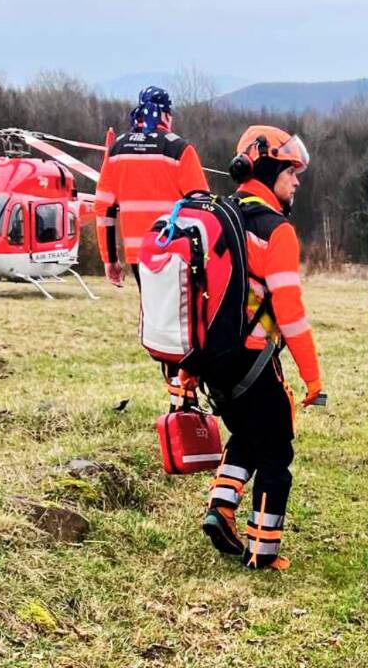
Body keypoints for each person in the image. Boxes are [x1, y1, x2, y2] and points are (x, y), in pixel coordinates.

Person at [201, 125, 323, 571]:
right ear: (270, 169)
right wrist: (312, 376)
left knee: (248, 434)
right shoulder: (277, 231)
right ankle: (263, 551)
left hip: (213, 361)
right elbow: (289, 311)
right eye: (292, 172)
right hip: (254, 360)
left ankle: (221, 506)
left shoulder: (219, 218)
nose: (296, 182)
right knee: (276, 450)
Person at [94, 86, 208, 286]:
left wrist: (109, 258)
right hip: (174, 252)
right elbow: (203, 208)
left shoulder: (117, 150)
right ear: (166, 114)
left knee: (150, 311)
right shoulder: (178, 148)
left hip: (137, 255)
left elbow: (104, 211)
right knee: (177, 315)